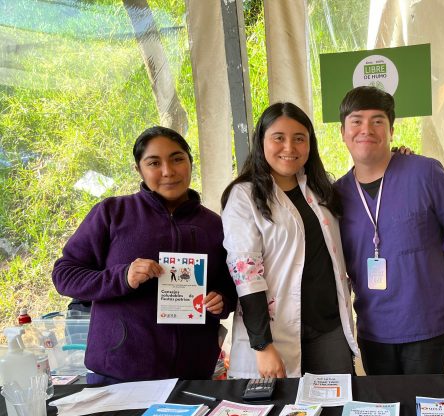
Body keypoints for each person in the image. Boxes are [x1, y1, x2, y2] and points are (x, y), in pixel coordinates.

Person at [52, 126, 236, 384]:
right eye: (154, 163)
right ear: (139, 169)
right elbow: (65, 275)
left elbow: (230, 285)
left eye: (177, 159)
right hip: (117, 374)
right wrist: (123, 276)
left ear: (190, 163)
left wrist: (222, 300)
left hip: (192, 375)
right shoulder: (112, 213)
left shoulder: (214, 225)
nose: (168, 171)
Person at [221, 102, 357, 378]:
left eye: (299, 138)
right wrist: (262, 345)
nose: (289, 148)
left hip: (328, 328)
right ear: (261, 141)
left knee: (336, 408)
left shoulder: (321, 191)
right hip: (274, 331)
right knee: (279, 414)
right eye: (278, 138)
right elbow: (246, 274)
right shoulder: (244, 196)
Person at [335, 86, 444, 375]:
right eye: (356, 121)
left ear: (391, 129)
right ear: (342, 132)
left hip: (426, 327)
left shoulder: (425, 173)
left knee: (423, 413)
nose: (366, 129)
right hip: (372, 329)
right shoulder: (335, 195)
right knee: (384, 415)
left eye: (377, 120)